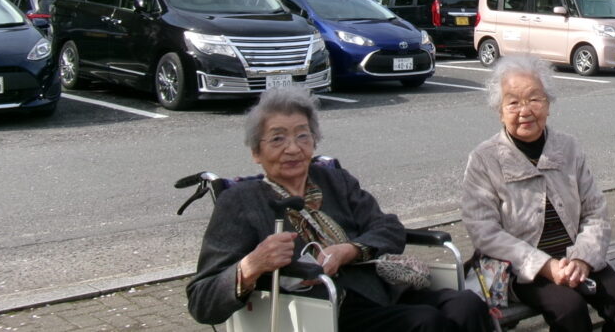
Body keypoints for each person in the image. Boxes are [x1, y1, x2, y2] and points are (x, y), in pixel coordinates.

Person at [186, 86, 490, 332]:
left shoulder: (333, 179)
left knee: (468, 305)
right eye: (278, 138)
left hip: (381, 292)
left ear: (314, 142)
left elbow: (388, 228)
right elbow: (201, 299)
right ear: (256, 151)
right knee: (425, 322)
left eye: (302, 135)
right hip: (324, 312)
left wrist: (350, 250)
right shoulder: (241, 201)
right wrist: (251, 265)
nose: (293, 148)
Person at [461, 56, 615, 332]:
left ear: (548, 105)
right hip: (521, 270)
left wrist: (582, 258)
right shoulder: (484, 159)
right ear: (500, 110)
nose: (525, 110)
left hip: (574, 258)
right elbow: (484, 232)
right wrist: (546, 266)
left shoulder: (568, 147)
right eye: (513, 102)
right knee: (570, 308)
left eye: (534, 99)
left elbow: (595, 211)